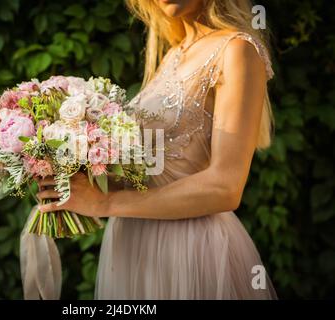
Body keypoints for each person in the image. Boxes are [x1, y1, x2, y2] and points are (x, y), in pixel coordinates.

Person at [32, 0, 277, 299]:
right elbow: (150, 172)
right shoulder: (173, 54)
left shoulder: (236, 49)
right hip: (132, 247)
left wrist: (106, 204)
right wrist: (69, 175)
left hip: (190, 251)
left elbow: (225, 186)